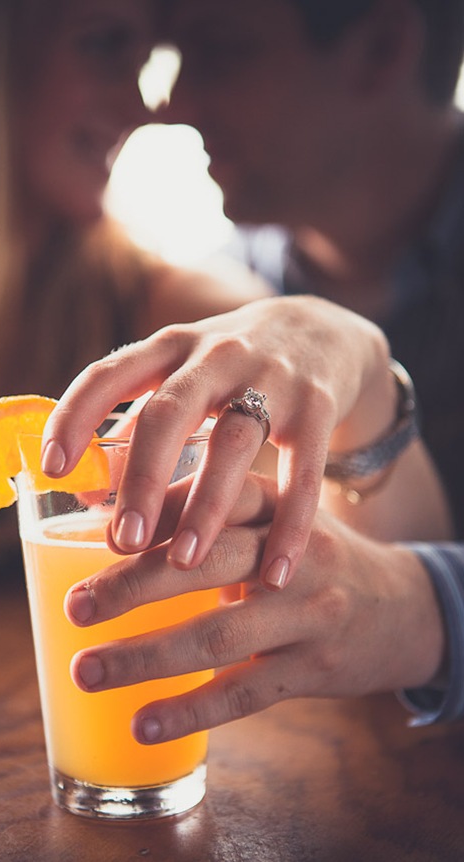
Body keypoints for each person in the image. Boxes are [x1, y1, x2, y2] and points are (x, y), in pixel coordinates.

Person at [40, 0, 464, 730]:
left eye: (221, 51)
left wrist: (428, 609)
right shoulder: (231, 303)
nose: (169, 103)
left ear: (379, 49)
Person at [0, 0, 267, 588]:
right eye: (102, 43)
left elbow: (366, 553)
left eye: (142, 62)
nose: (141, 108)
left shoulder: (191, 315)